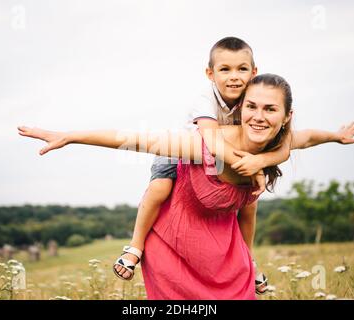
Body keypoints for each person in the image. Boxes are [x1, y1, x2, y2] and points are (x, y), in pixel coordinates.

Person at [18, 73, 354, 299]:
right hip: (175, 247)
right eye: (252, 106)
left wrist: (336, 136)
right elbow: (136, 140)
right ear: (240, 108)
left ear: (287, 116)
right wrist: (72, 136)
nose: (259, 116)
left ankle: (251, 262)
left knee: (250, 208)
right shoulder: (205, 146)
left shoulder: (281, 144)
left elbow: (309, 137)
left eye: (271, 109)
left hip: (225, 255)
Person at [112, 37, 290, 295]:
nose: (234, 77)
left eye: (242, 69)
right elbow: (212, 142)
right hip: (183, 150)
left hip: (223, 157)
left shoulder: (252, 101)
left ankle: (248, 261)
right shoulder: (205, 100)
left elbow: (289, 141)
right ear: (210, 73)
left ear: (254, 72)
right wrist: (252, 166)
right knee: (159, 188)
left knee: (249, 204)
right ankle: (135, 246)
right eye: (224, 69)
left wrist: (260, 163)